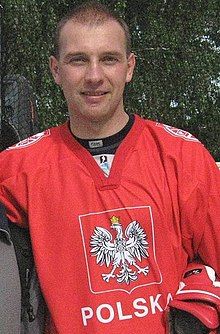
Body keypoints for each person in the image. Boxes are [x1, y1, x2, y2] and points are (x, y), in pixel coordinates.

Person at [0, 1, 219, 333]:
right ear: (55, 70)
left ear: (129, 68)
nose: (94, 76)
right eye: (78, 60)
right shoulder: (18, 169)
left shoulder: (184, 159)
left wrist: (201, 298)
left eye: (109, 59)